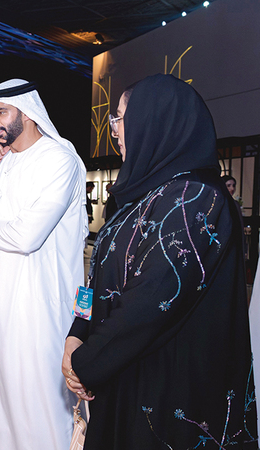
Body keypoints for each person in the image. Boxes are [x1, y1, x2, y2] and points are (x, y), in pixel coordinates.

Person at [63, 74, 256, 449]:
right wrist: (77, 332)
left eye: (120, 118)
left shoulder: (197, 198)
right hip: (118, 367)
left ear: (153, 121)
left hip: (165, 390)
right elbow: (97, 276)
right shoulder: (138, 197)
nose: (114, 131)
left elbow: (152, 300)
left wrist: (85, 362)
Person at [0, 78, 87, 449]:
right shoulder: (2, 162)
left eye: (1, 112)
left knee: (41, 404)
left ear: (27, 113)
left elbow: (28, 237)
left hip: (41, 307)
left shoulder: (60, 159)